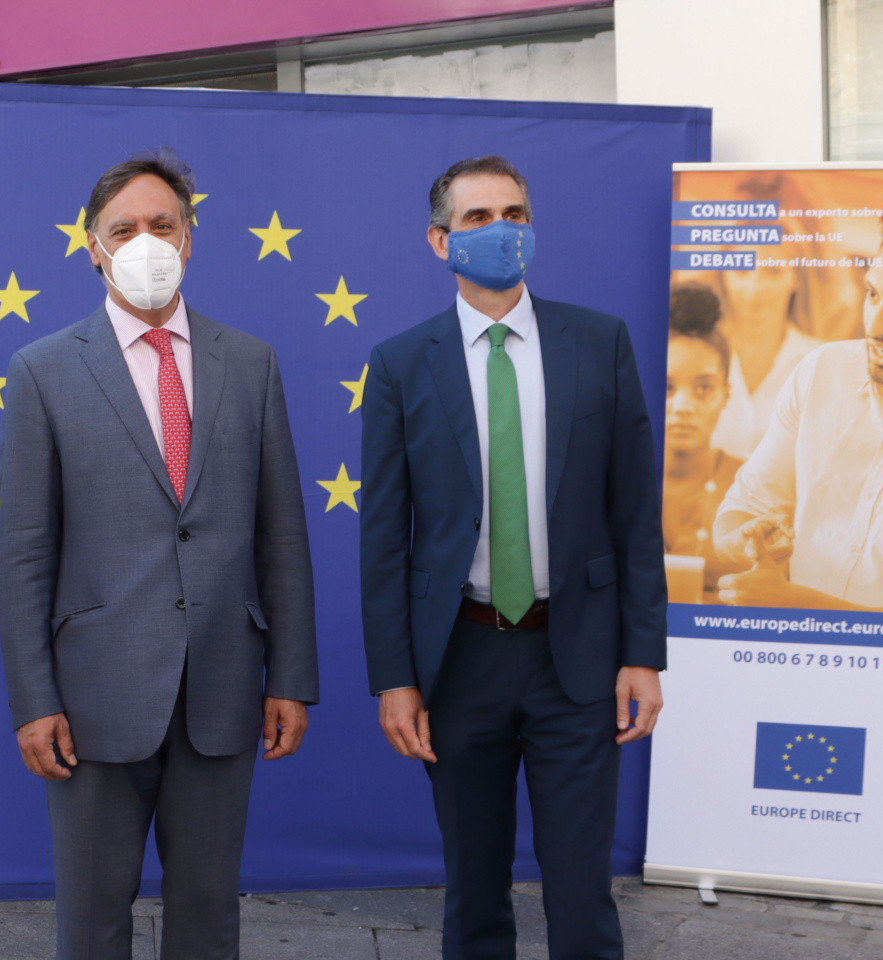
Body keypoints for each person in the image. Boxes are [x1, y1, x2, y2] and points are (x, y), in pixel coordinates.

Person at [0, 150, 318, 960]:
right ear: (92, 246)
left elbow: (282, 534)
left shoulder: (249, 363)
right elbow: (26, 553)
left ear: (190, 236)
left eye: (162, 225)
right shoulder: (42, 370)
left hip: (224, 687)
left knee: (209, 917)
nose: (146, 242)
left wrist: (290, 676)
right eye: (124, 229)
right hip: (93, 699)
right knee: (93, 922)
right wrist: (34, 699)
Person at [359, 155, 666, 960]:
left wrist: (643, 654)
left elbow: (635, 510)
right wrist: (395, 676)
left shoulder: (599, 342)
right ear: (440, 241)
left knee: (580, 887)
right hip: (461, 660)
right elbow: (385, 536)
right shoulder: (399, 364)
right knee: (474, 884)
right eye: (478, 218)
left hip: (581, 656)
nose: (502, 231)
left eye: (516, 214)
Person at [714, 187, 883, 615]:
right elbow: (744, 507)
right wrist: (745, 539)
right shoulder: (821, 372)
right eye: (873, 294)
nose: (877, 325)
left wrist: (794, 607)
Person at [710, 184, 822, 460]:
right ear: (723, 278)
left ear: (796, 278)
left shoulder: (819, 361)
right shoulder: (700, 352)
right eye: (741, 271)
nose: (755, 289)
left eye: (773, 271)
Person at [662, 282, 746, 600]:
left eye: (703, 388)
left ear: (726, 394)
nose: (683, 407)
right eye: (668, 387)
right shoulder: (614, 480)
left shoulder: (754, 490)